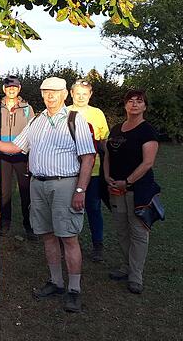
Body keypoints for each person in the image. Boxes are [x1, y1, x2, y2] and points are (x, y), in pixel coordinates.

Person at [0, 76, 95, 313]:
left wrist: (80, 189)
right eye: (46, 92)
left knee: (68, 237)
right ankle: (57, 282)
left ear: (64, 94)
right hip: (38, 184)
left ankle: (74, 289)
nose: (50, 96)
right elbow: (17, 146)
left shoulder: (74, 120)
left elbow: (88, 157)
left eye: (55, 92)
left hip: (65, 185)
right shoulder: (36, 120)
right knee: (47, 236)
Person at [104, 89, 160, 294]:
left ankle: (136, 275)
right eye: (130, 101)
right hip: (115, 188)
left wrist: (126, 182)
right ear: (125, 105)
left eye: (139, 101)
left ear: (145, 106)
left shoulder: (148, 131)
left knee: (138, 232)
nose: (134, 104)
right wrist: (107, 176)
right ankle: (127, 266)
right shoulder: (117, 128)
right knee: (121, 229)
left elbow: (148, 163)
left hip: (138, 190)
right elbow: (108, 155)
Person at [68, 79, 110, 261]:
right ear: (71, 94)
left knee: (93, 207)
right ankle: (68, 241)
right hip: (69, 169)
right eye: (78, 93)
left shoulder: (97, 113)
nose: (81, 97)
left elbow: (103, 141)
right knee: (68, 207)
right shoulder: (65, 112)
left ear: (90, 95)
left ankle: (97, 244)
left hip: (93, 170)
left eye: (85, 94)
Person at [0, 75, 35, 238]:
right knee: (5, 191)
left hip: (22, 155)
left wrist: (32, 157)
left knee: (26, 191)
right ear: (4, 89)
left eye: (14, 87)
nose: (11, 90)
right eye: (8, 87)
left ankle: (29, 225)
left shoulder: (27, 108)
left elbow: (33, 133)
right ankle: (4, 223)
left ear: (19, 89)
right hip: (2, 154)